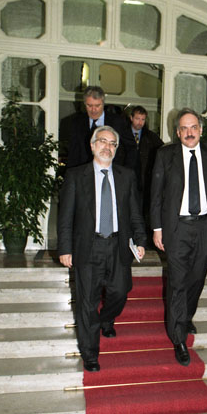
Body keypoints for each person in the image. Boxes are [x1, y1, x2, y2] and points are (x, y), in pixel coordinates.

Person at [58, 125, 146, 372]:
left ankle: (106, 318)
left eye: (112, 144)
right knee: (87, 302)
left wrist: (140, 240)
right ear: (92, 145)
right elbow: (65, 216)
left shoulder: (126, 176)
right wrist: (65, 248)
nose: (107, 147)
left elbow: (135, 213)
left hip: (118, 245)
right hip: (89, 246)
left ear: (116, 149)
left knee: (121, 290)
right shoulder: (76, 176)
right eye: (103, 142)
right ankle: (90, 354)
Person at [150, 108, 207, 366]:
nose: (189, 132)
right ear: (177, 132)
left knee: (198, 277)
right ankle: (179, 338)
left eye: (193, 127)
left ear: (201, 130)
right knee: (178, 282)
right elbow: (156, 194)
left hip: (204, 226)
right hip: (177, 228)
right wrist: (157, 228)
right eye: (184, 128)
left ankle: (186, 315)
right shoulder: (165, 155)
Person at [116, 106, 163, 235]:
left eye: (142, 119)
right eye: (137, 118)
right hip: (125, 179)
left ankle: (140, 237)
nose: (140, 122)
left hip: (143, 181)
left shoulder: (150, 137)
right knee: (125, 208)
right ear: (131, 118)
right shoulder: (121, 135)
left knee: (142, 211)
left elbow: (162, 152)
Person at [66, 86, 119, 168]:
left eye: (97, 106)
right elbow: (73, 153)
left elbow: (129, 149)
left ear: (103, 104)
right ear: (84, 104)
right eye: (89, 105)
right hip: (83, 172)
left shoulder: (118, 122)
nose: (93, 110)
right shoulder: (76, 123)